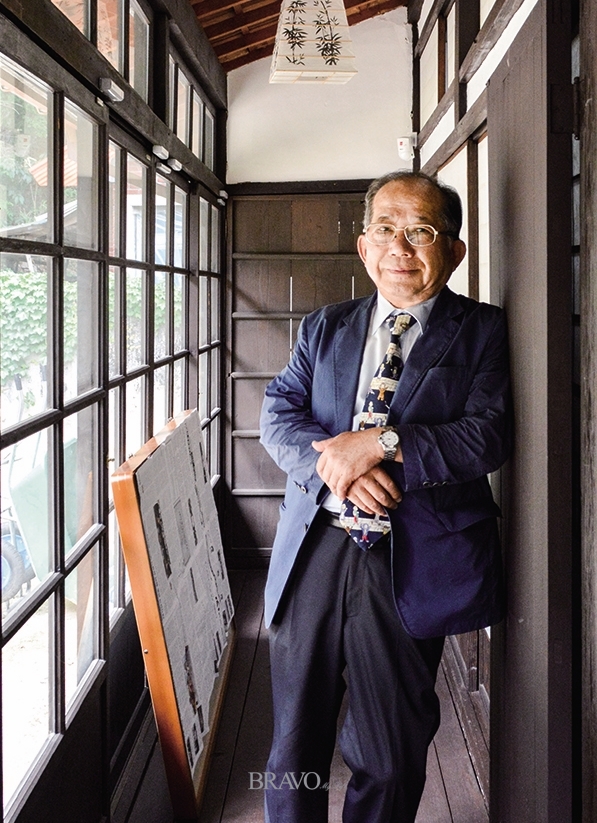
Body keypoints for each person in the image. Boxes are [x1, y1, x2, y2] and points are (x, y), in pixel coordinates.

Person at [259, 170, 512, 823]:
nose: (400, 247)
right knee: (293, 743)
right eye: (384, 229)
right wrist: (337, 468)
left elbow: (487, 435)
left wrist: (382, 442)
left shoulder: (483, 330)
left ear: (453, 249)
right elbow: (279, 414)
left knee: (391, 750)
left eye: (420, 231)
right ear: (363, 244)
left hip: (410, 557)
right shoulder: (325, 326)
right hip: (315, 547)